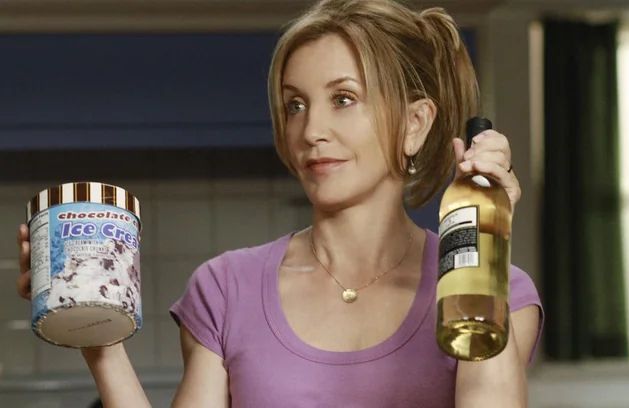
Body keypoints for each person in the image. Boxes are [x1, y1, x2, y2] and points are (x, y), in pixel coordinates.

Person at [16, 0, 543, 406]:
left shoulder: (506, 294)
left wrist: (483, 252)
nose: (311, 130)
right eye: (295, 105)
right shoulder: (226, 289)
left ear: (415, 124)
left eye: (343, 99)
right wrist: (98, 335)